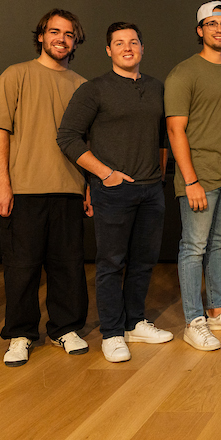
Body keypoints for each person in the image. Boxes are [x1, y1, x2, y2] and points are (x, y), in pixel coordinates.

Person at [57, 22, 171, 363]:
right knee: (111, 263)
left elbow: (162, 138)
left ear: (142, 48)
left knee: (143, 262)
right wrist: (105, 175)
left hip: (151, 190)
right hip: (114, 191)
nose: (127, 48)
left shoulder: (157, 88)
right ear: (108, 50)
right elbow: (68, 137)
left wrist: (159, 177)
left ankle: (134, 322)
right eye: (119, 43)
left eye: (133, 42)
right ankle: (112, 332)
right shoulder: (94, 90)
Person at [0, 9, 92, 367]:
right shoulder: (16, 75)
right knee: (22, 268)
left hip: (69, 187)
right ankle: (20, 334)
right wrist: (3, 183)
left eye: (68, 34)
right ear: (41, 36)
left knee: (68, 266)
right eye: (54, 32)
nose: (61, 39)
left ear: (75, 42)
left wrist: (88, 186)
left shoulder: (82, 86)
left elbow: (85, 141)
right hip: (23, 189)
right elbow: (0, 131)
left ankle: (66, 328)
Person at [166, 1, 221, 352]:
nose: (219, 29)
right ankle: (194, 321)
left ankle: (216, 309)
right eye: (212, 23)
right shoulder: (183, 73)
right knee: (193, 247)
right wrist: (190, 181)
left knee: (220, 242)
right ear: (200, 30)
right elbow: (175, 130)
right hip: (199, 177)